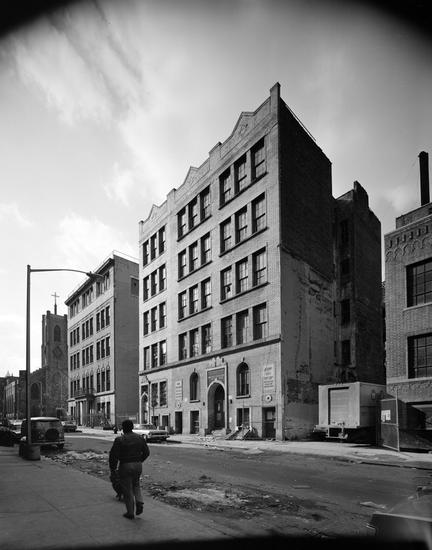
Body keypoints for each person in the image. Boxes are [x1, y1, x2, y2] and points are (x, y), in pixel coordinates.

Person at [109, 419, 150, 519]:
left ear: (123, 428)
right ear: (132, 427)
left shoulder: (120, 439)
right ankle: (139, 501)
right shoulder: (140, 438)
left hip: (125, 465)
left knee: (127, 489)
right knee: (136, 484)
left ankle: (130, 513)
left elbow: (113, 456)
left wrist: (113, 469)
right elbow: (147, 452)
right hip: (138, 464)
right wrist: (139, 460)